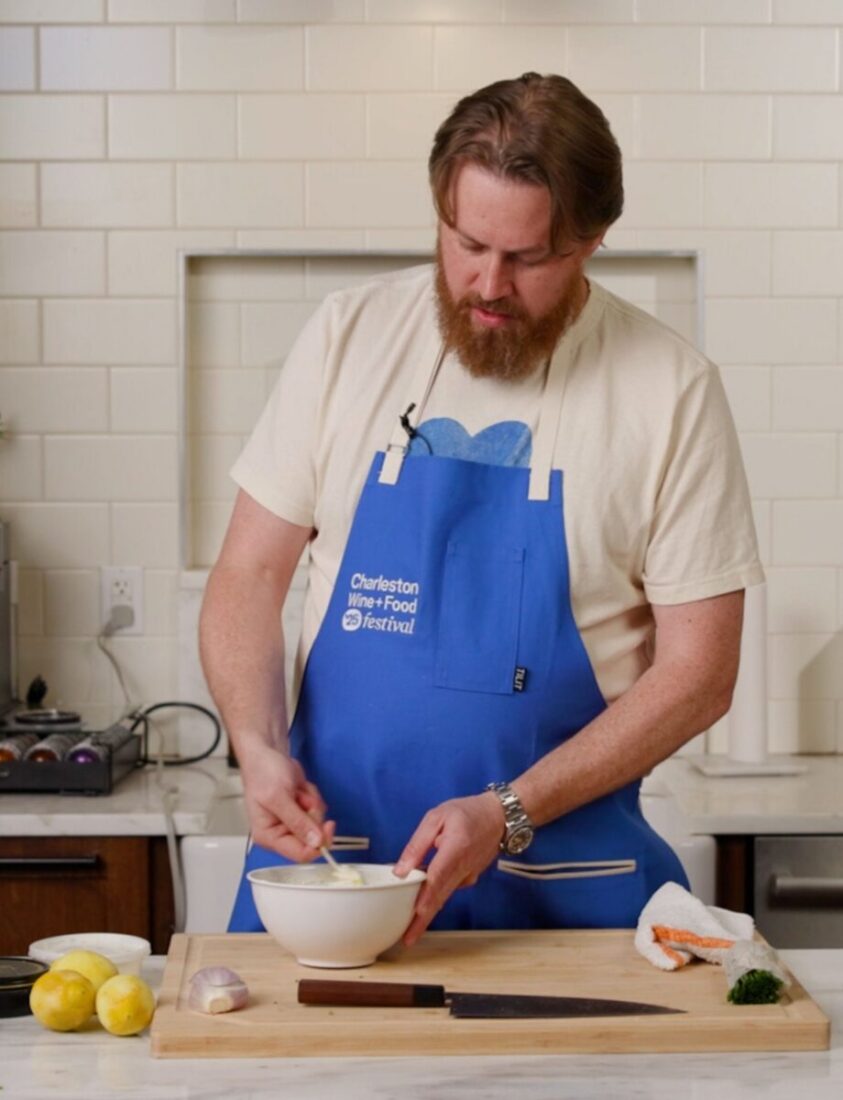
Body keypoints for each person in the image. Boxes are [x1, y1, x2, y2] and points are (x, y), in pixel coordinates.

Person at [200, 72, 763, 943]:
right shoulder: (347, 335)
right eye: (464, 243)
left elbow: (699, 675)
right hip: (339, 876)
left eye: (527, 258)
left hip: (565, 892)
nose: (486, 284)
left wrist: (507, 809)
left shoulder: (669, 390)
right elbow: (248, 570)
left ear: (590, 241)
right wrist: (257, 744)